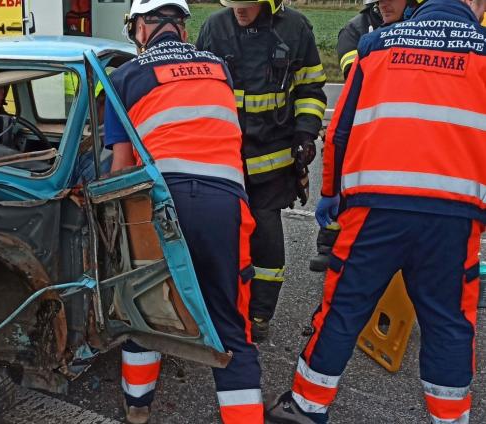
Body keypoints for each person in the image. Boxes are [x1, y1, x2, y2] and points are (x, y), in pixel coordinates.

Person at [264, 0, 486, 422]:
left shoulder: (377, 44)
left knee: (344, 308)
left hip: (374, 209)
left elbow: (341, 132)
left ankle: (306, 407)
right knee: (450, 322)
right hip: (455, 218)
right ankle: (451, 418)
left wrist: (331, 194)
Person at [105, 0, 262, 422]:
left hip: (161, 202)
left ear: (140, 27)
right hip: (223, 202)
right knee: (230, 325)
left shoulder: (125, 75)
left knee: (147, 307)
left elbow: (121, 168)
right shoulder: (219, 69)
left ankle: (138, 411)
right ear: (183, 29)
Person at [195, 0, 327, 342]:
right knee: (220, 234)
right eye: (235, 3)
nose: (240, 9)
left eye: (248, 3)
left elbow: (311, 89)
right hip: (223, 155)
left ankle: (261, 312)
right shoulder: (214, 27)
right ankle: (219, 307)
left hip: (273, 156)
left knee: (265, 234)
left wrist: (305, 133)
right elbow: (196, 85)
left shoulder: (295, 29)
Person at [310, 0, 406, 272]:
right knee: (344, 185)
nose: (385, 6)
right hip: (363, 124)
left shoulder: (416, 25)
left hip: (400, 127)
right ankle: (329, 244)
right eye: (379, 2)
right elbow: (360, 77)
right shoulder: (356, 30)